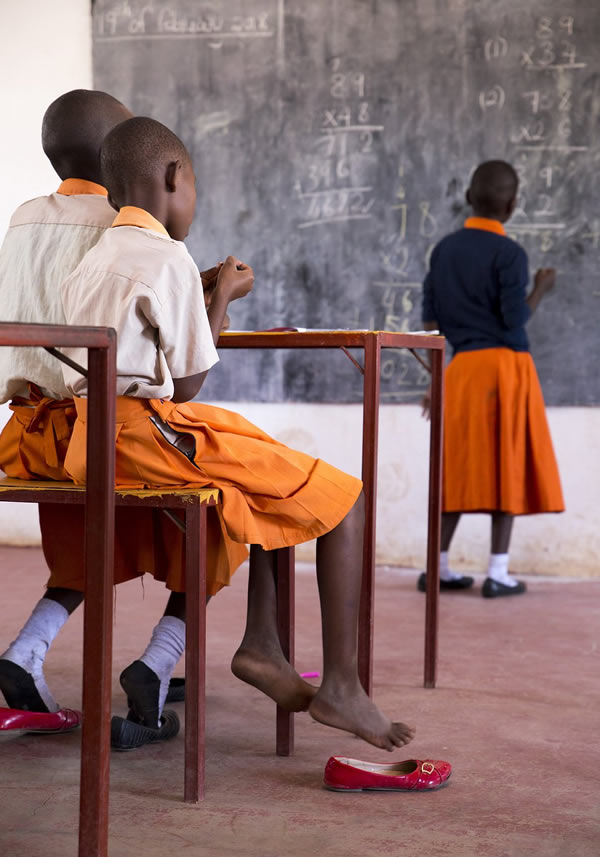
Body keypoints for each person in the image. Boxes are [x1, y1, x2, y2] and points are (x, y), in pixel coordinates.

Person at [60, 116, 416, 753]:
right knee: (344, 498)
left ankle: (262, 647)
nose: (193, 199)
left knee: (275, 474)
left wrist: (199, 297)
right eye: (193, 184)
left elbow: (133, 340)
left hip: (92, 436)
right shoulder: (168, 254)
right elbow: (190, 383)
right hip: (142, 435)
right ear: (174, 179)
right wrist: (221, 295)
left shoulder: (97, 257)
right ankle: (341, 684)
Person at [0, 90, 207, 735]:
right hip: (95, 428)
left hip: (25, 432)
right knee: (197, 517)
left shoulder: (22, 217)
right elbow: (173, 363)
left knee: (92, 543)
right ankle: (163, 653)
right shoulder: (122, 226)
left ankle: (27, 651)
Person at [419, 160, 564, 598]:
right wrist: (540, 288)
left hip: (459, 367)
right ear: (513, 204)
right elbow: (514, 319)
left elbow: (430, 321)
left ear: (468, 197)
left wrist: (434, 379)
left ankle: (438, 567)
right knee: (507, 464)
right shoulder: (510, 254)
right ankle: (498, 572)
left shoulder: (443, 250)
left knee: (457, 467)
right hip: (504, 367)